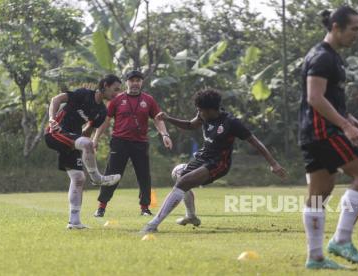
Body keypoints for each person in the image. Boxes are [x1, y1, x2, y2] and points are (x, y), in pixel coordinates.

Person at [141, 88, 287, 233]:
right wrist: (168, 118)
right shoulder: (203, 115)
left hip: (218, 163)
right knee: (178, 173)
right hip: (202, 158)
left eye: (200, 110)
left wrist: (274, 164)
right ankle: (191, 216)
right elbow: (190, 125)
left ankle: (153, 225)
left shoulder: (231, 123)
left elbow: (255, 142)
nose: (199, 113)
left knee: (182, 182)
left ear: (211, 110)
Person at [298, 6, 358, 270]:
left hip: (313, 131)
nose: (357, 34)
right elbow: (314, 97)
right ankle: (341, 240)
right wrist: (345, 126)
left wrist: (348, 116)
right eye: (354, 28)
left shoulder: (331, 57)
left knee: (320, 191)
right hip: (323, 132)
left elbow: (327, 97)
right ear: (336, 27)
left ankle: (316, 257)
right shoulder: (322, 57)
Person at [45, 74, 122, 229]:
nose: (117, 93)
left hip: (72, 139)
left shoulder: (101, 112)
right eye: (115, 89)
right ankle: (98, 178)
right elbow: (56, 100)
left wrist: (85, 147)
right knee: (87, 144)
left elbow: (87, 131)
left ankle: (74, 222)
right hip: (55, 133)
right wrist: (52, 119)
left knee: (79, 177)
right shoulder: (83, 94)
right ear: (105, 85)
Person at [92, 70, 173, 217]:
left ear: (142, 82)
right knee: (112, 174)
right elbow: (105, 121)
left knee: (144, 176)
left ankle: (145, 208)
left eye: (138, 80)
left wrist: (165, 134)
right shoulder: (117, 99)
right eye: (132, 80)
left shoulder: (149, 100)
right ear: (127, 82)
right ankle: (101, 207)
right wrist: (95, 139)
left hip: (140, 143)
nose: (135, 83)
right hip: (119, 142)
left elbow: (158, 118)